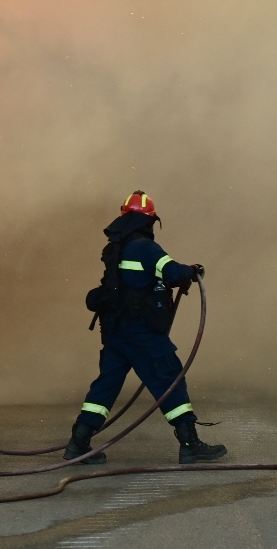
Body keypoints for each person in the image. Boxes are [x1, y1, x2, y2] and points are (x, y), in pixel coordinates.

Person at [66, 191, 226, 465]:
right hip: (141, 333)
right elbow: (173, 273)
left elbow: (135, 281)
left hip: (116, 331)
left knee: (106, 386)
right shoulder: (145, 248)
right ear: (149, 220)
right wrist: (192, 270)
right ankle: (189, 444)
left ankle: (78, 443)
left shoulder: (115, 247)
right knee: (169, 377)